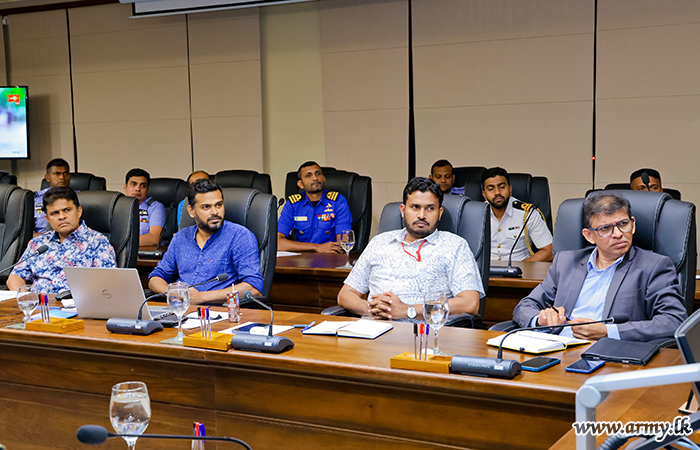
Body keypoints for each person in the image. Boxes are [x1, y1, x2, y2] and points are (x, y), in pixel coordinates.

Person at [513, 192, 687, 342]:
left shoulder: (654, 266)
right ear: (589, 235)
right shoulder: (566, 262)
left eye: (623, 224)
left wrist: (608, 332)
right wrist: (540, 320)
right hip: (558, 348)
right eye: (605, 228)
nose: (618, 234)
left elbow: (674, 321)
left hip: (612, 354)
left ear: (633, 224)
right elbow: (525, 306)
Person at [338, 177, 483, 321]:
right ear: (403, 210)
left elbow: (470, 303)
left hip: (423, 332)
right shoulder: (379, 242)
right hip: (373, 330)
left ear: (440, 213)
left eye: (430, 208)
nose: (421, 215)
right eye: (415, 207)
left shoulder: (455, 246)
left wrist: (407, 310)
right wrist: (372, 309)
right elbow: (345, 294)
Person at [148, 179, 264, 305]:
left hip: (219, 311)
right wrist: (172, 293)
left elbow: (254, 288)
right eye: (206, 207)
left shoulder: (240, 236)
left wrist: (202, 297)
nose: (215, 212)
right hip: (180, 309)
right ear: (191, 211)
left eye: (219, 205)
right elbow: (156, 277)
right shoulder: (180, 237)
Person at [8, 187, 116, 293]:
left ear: (79, 212)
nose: (61, 217)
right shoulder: (38, 243)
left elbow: (107, 284)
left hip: (75, 304)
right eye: (54, 213)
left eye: (67, 210)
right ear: (47, 218)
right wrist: (25, 299)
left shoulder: (98, 242)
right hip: (39, 303)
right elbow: (15, 277)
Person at [278, 161, 352, 253]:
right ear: (301, 184)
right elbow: (278, 243)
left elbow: (343, 244)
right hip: (301, 258)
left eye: (318, 174)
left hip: (330, 257)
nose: (315, 178)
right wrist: (317, 247)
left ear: (324, 178)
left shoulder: (338, 201)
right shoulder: (293, 204)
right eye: (308, 175)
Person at [481, 167, 553, 262]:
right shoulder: (476, 215)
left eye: (502, 187)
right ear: (484, 195)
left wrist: (520, 267)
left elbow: (549, 252)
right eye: (491, 189)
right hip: (484, 270)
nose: (497, 192)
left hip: (522, 269)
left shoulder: (528, 214)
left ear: (510, 190)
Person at [124, 168, 165, 247]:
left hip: (147, 252)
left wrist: (122, 243)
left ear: (147, 189)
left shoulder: (155, 207)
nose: (138, 189)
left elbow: (154, 238)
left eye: (143, 186)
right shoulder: (117, 206)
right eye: (133, 184)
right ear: (125, 187)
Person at [34, 158, 72, 236]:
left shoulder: (80, 198)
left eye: (65, 173)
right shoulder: (35, 199)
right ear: (47, 177)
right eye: (57, 174)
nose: (62, 177)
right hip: (39, 239)